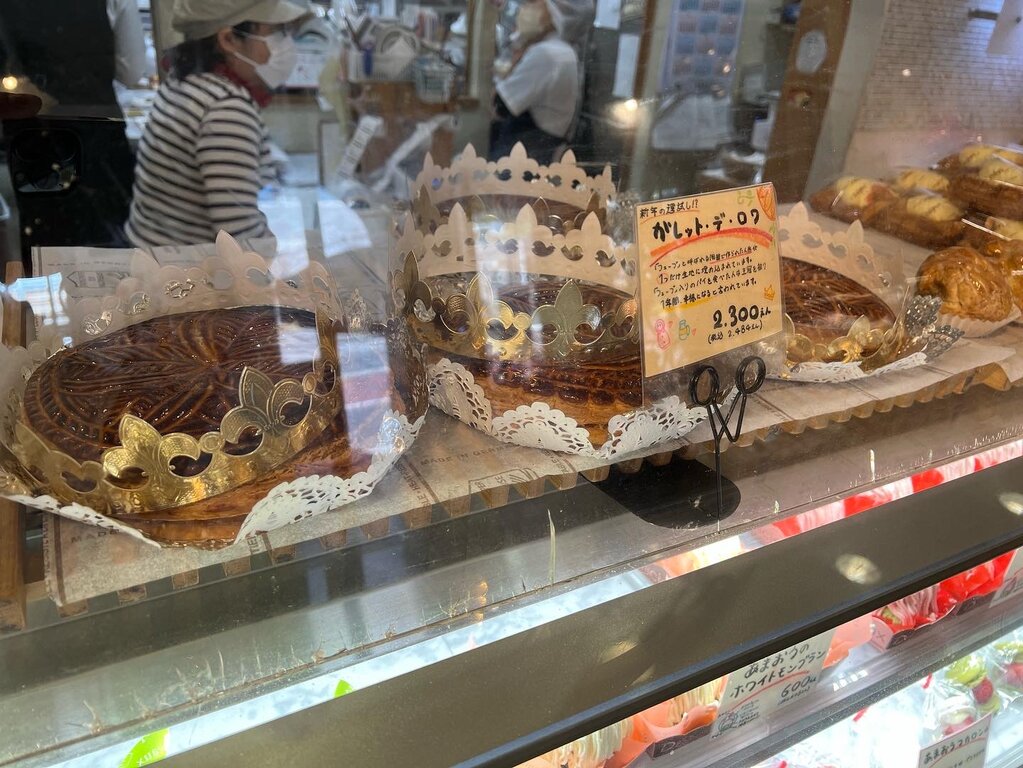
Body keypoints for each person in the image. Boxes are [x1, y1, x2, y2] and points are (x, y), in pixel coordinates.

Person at [125, 0, 307, 248]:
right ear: (229, 40)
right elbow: (242, 240)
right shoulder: (226, 108)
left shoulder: (185, 83)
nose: (287, 44)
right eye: (276, 32)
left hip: (156, 257)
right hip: (190, 268)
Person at [1, 0, 146, 266]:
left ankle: (44, 289)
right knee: (108, 246)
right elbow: (132, 72)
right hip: (96, 128)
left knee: (45, 237)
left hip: (34, 130)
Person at [489, 0, 594, 164]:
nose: (525, 8)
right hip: (538, 152)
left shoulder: (547, 54)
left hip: (524, 157)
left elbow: (499, 106)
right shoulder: (562, 50)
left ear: (556, 12)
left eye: (534, 3)